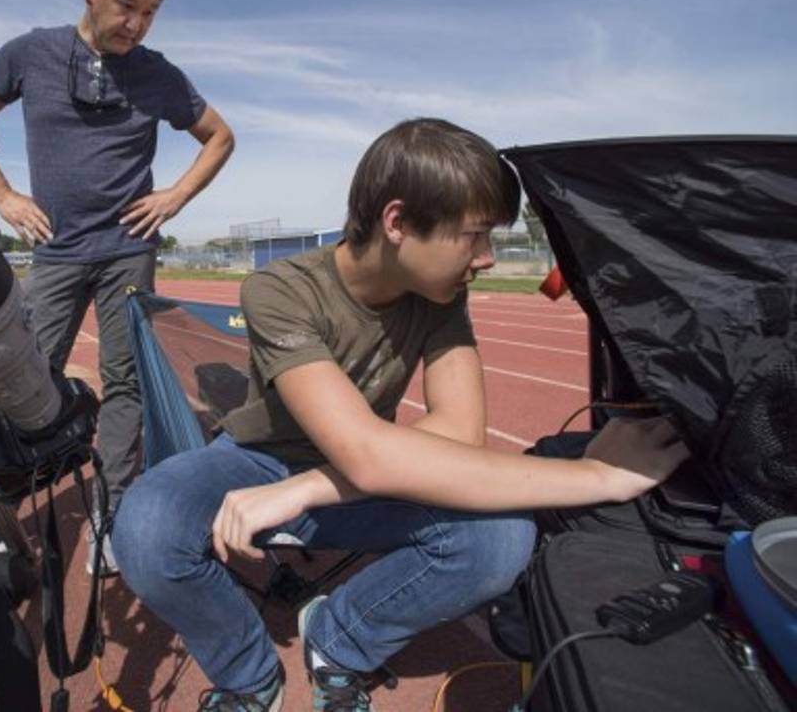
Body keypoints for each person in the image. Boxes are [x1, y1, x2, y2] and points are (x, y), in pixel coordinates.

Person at [111, 118, 689, 711]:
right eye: (475, 236)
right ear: (398, 223)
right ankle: (248, 675)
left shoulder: (440, 295)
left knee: (500, 539)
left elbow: (459, 433)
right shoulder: (279, 289)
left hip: (353, 474)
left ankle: (338, 640)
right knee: (146, 527)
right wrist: (599, 476)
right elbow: (370, 454)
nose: (487, 258)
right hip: (258, 459)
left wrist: (305, 488)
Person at [0, 0, 234, 575]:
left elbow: (220, 136)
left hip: (127, 250)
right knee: (17, 372)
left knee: (125, 379)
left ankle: (112, 508)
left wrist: (176, 196)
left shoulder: (159, 74)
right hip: (56, 249)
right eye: (126, 5)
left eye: (150, 13)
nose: (136, 24)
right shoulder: (30, 53)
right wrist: (2, 194)